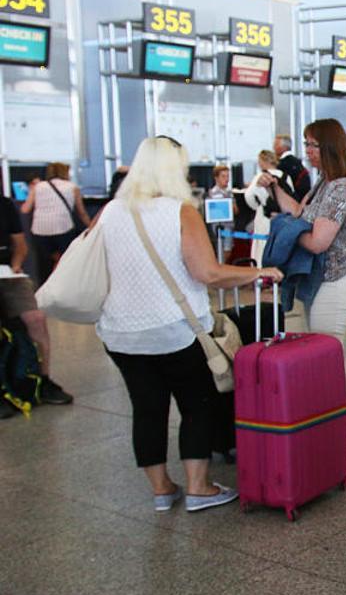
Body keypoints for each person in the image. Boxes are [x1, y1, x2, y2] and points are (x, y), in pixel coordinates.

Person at [98, 136, 283, 510]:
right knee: (196, 405)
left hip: (121, 332)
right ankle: (199, 487)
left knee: (147, 409)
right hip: (175, 330)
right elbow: (208, 273)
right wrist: (259, 273)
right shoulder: (180, 211)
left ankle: (162, 490)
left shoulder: (112, 211)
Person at [257, 119, 346, 336]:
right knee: (323, 358)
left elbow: (318, 243)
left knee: (326, 358)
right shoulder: (325, 181)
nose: (306, 151)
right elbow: (298, 211)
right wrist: (275, 188)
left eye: (312, 145)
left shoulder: (342, 187)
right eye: (306, 144)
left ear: (329, 146)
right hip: (320, 282)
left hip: (335, 284)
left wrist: (288, 231)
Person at [0, 192, 73, 418]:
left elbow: (20, 245)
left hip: (6, 273)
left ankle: (42, 380)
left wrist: (16, 266)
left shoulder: (4, 205)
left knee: (36, 319)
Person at [20, 162, 92, 285]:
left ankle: (43, 293)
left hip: (39, 230)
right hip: (63, 228)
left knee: (43, 266)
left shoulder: (38, 186)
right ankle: (64, 288)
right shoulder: (72, 187)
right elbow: (81, 213)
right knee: (66, 263)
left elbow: (25, 209)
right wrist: (92, 227)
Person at [274, 134, 311, 202]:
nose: (273, 147)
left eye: (276, 144)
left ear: (284, 147)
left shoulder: (283, 165)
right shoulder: (296, 162)